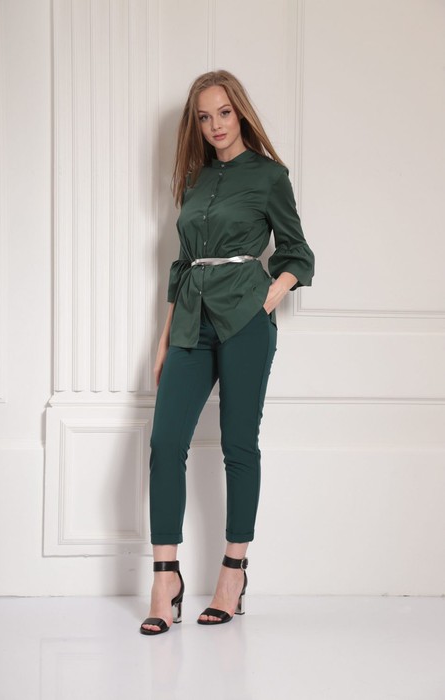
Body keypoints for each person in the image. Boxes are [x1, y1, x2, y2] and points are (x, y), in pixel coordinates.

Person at [140, 69, 315, 635]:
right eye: (204, 117)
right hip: (190, 322)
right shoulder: (194, 181)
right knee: (166, 441)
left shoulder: (269, 176)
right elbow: (182, 263)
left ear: (239, 112)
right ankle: (165, 580)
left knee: (239, 444)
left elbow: (298, 252)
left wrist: (268, 297)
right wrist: (165, 336)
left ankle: (233, 573)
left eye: (223, 112)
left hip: (245, 320)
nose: (215, 125)